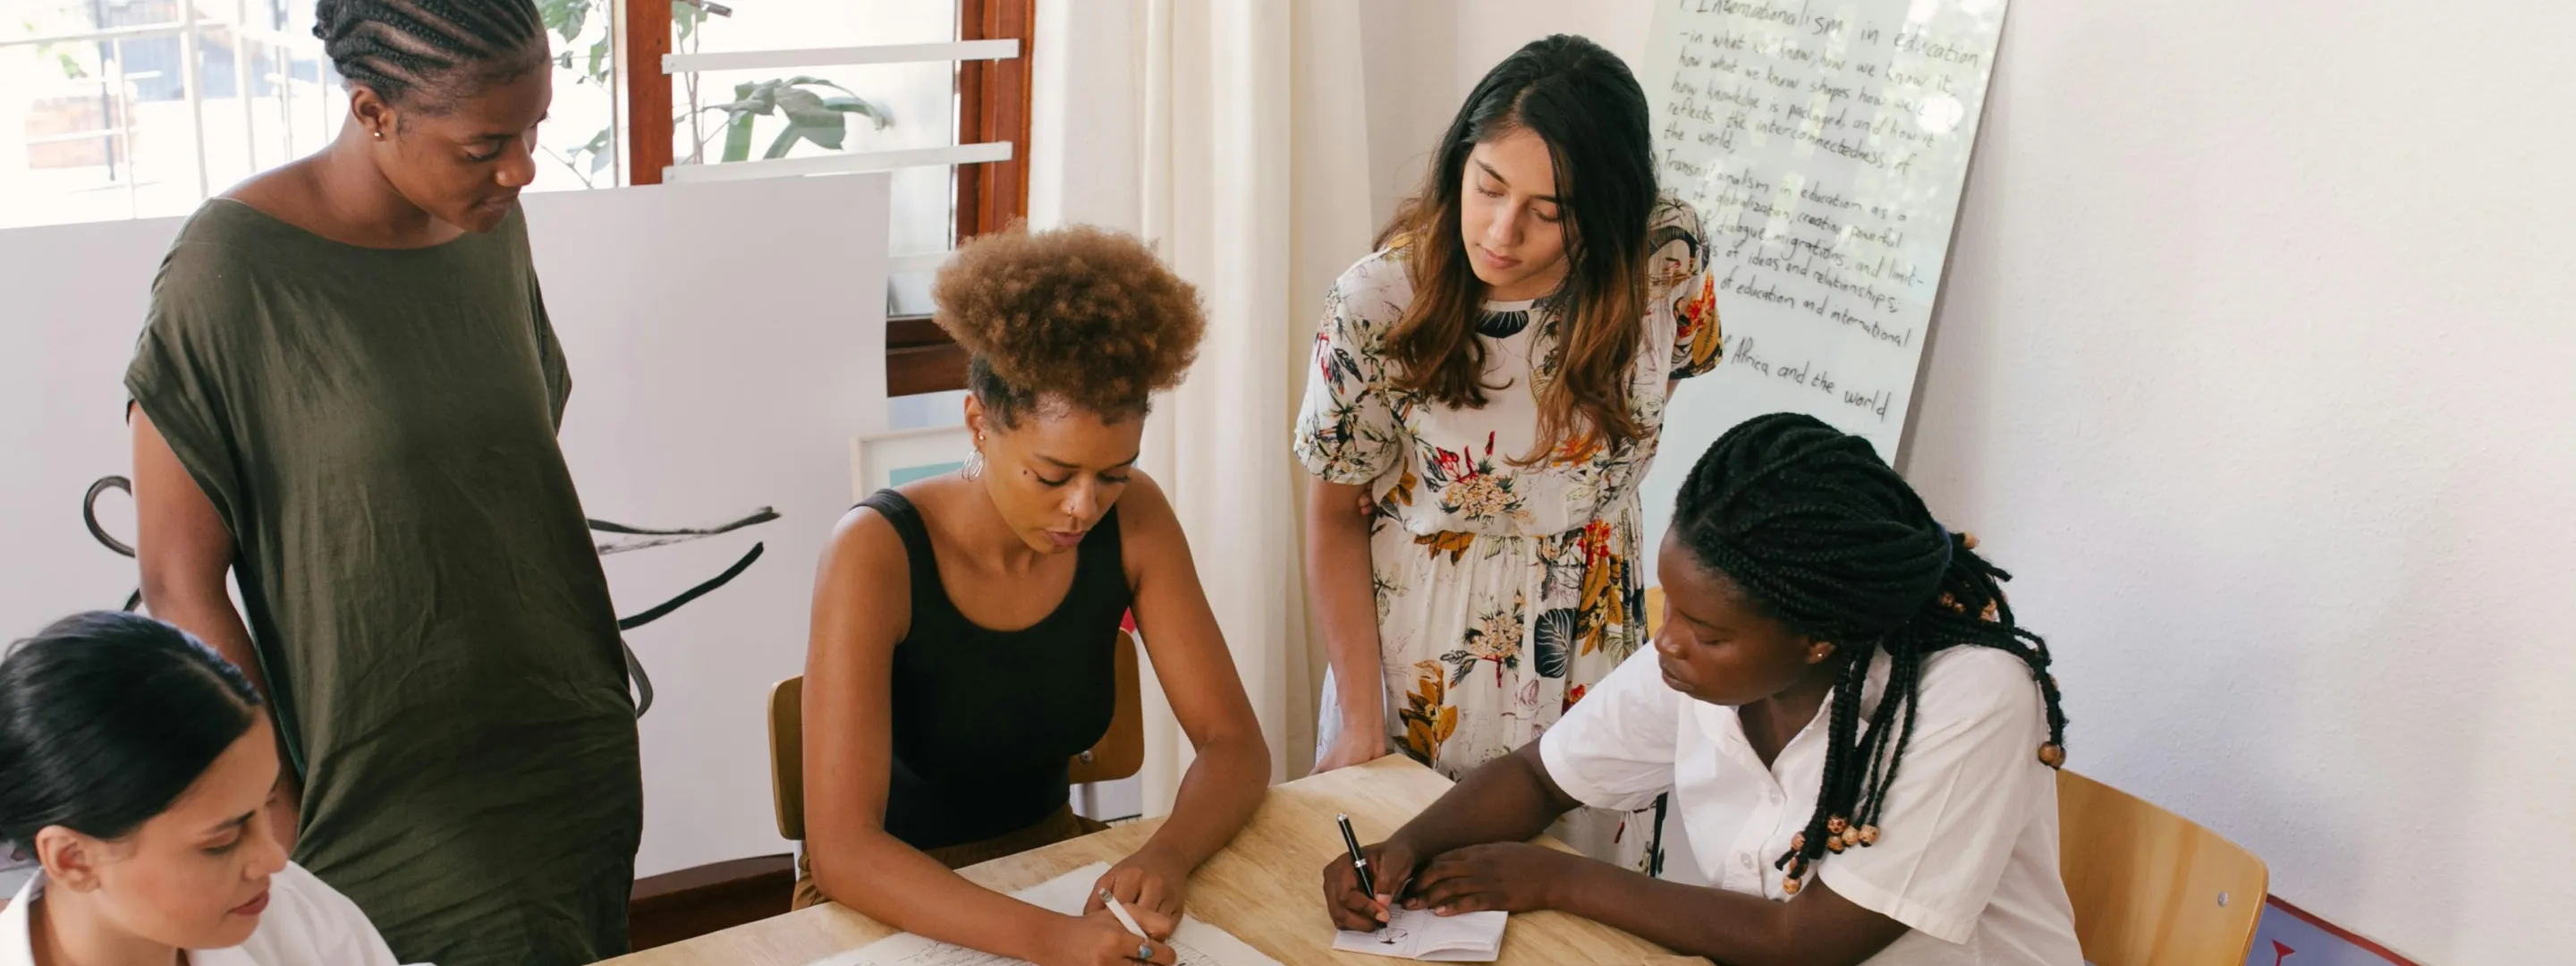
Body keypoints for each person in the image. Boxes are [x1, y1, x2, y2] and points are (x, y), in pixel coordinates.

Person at [123, 3, 638, 963]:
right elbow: (177, 582)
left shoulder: (486, 221)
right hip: (381, 779)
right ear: (372, 111)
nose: (521, 168)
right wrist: (270, 799)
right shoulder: (228, 272)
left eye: (534, 131)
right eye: (487, 143)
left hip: (566, 736)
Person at [1321, 414, 2083, 965]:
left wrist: (1557, 877)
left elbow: (1808, 941)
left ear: (1816, 638)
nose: (1668, 639)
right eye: (1671, 604)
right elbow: (1537, 776)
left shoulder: (1972, 699)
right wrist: (1406, 848)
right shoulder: (1701, 668)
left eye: (1707, 631)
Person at [1294, 33, 1724, 871]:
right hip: (1430, 647)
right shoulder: (1380, 301)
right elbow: (1331, 515)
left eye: (1549, 210)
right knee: (1417, 895)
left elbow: (1644, 408)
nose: (1500, 229)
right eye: (1487, 185)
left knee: (1590, 910)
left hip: (1599, 632)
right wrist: (1359, 717)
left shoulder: (1664, 255)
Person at [800, 225, 1271, 966]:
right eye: (1053, 476)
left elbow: (1235, 745)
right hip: (885, 905)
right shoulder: (875, 552)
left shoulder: (1136, 517)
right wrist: (1054, 941)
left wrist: (1167, 856)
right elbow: (842, 852)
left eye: (1113, 474)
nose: (1085, 507)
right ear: (979, 425)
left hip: (1054, 870)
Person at [0, 612, 410, 966]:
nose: (273, 859)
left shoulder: (289, 911)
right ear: (73, 860)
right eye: (222, 842)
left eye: (266, 805)